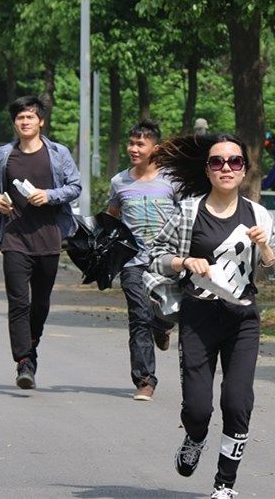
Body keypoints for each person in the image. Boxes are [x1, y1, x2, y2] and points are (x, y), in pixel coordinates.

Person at [144, 133, 275, 499]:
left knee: (237, 402)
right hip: (199, 316)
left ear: (245, 169)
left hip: (242, 319)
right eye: (217, 162)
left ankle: (225, 484)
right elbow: (154, 255)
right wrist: (182, 261)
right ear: (207, 170)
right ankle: (195, 437)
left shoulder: (258, 215)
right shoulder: (189, 212)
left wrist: (265, 248)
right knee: (197, 408)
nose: (226, 168)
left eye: (234, 161)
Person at [0, 96, 81, 390]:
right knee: (18, 302)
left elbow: (75, 186)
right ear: (14, 123)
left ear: (41, 121)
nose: (25, 122)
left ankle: (32, 343)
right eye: (20, 118)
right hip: (14, 237)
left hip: (49, 237)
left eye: (30, 117)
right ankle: (24, 362)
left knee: (40, 303)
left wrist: (49, 196)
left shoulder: (58, 153)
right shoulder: (3, 155)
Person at [106, 120, 179, 401]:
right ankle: (145, 380)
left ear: (155, 149)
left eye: (140, 144)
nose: (133, 149)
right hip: (132, 261)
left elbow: (187, 215)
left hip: (167, 260)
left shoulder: (172, 180)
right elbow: (112, 216)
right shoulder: (119, 182)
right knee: (139, 316)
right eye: (131, 143)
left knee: (165, 313)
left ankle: (163, 326)